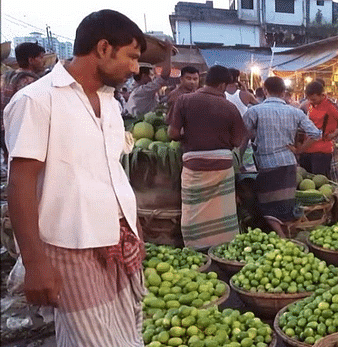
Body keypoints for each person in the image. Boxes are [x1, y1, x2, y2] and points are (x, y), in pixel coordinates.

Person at [4, 10, 149, 347]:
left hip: (116, 241)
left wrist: (133, 224)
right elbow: (20, 182)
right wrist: (35, 263)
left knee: (116, 338)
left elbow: (110, 172)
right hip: (70, 247)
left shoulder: (110, 103)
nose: (134, 68)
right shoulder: (37, 100)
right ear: (102, 48)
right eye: (130, 56)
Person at [167, 65, 246, 249]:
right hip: (222, 164)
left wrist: (187, 135)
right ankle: (223, 246)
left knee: (193, 209)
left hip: (194, 164)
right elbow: (237, 140)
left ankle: (196, 246)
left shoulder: (184, 100)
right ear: (222, 85)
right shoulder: (230, 107)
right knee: (222, 211)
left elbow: (172, 133)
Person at [243, 76, 322, 237]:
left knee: (267, 203)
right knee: (285, 204)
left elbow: (243, 135)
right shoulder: (295, 111)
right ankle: (286, 232)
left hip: (267, 164)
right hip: (288, 163)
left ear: (265, 90)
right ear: (283, 92)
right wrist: (299, 150)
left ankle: (282, 236)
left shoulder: (254, 111)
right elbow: (315, 133)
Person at [1, 42, 46, 164]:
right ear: (31, 60)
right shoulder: (28, 81)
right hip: (19, 132)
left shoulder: (8, 76)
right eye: (40, 57)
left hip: (5, 128)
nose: (43, 61)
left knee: (10, 163)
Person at [297, 81, 338, 176]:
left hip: (322, 152)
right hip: (307, 150)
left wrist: (334, 134)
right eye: (309, 99)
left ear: (322, 95)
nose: (311, 101)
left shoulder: (331, 106)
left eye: (314, 99)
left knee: (320, 183)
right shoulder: (310, 105)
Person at [125, 53, 171, 118]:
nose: (153, 78)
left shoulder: (137, 90)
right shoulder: (143, 90)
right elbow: (164, 77)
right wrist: (168, 51)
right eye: (151, 75)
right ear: (144, 76)